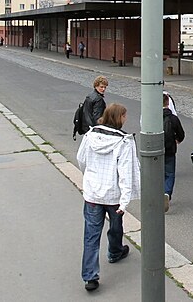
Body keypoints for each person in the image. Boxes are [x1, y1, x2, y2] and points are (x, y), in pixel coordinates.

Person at [76, 103, 141, 292]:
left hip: (93, 194)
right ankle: (115, 251)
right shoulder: (124, 142)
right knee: (116, 225)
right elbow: (126, 173)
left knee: (91, 236)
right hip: (113, 196)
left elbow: (81, 159)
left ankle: (90, 276)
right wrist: (125, 201)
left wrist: (89, 179)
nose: (126, 119)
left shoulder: (90, 136)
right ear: (119, 117)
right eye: (125, 116)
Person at [163, 93, 185, 212]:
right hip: (170, 149)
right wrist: (178, 139)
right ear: (168, 103)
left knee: (159, 173)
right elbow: (181, 134)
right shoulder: (173, 118)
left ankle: (159, 193)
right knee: (170, 173)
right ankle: (167, 193)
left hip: (157, 150)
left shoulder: (153, 116)